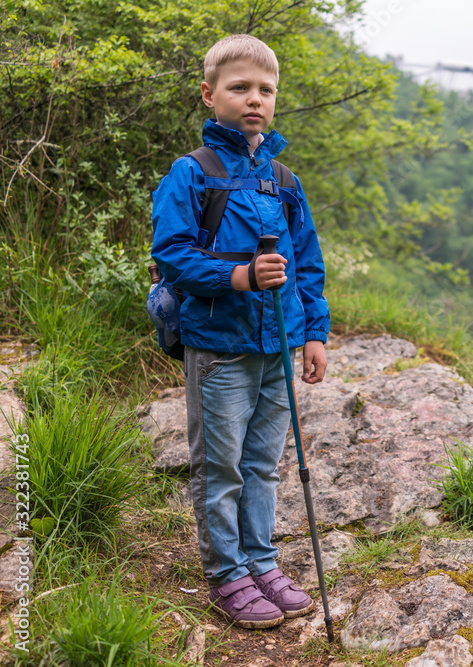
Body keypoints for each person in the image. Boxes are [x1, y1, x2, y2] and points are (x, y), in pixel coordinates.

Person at [151, 34, 330, 629]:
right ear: (210, 94)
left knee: (262, 463)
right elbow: (171, 255)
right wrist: (240, 275)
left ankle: (262, 562)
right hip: (219, 347)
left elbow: (305, 264)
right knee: (220, 466)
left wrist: (314, 334)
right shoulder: (191, 173)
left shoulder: (284, 179)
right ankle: (227, 575)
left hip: (278, 346)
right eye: (240, 88)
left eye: (266, 90)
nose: (254, 99)